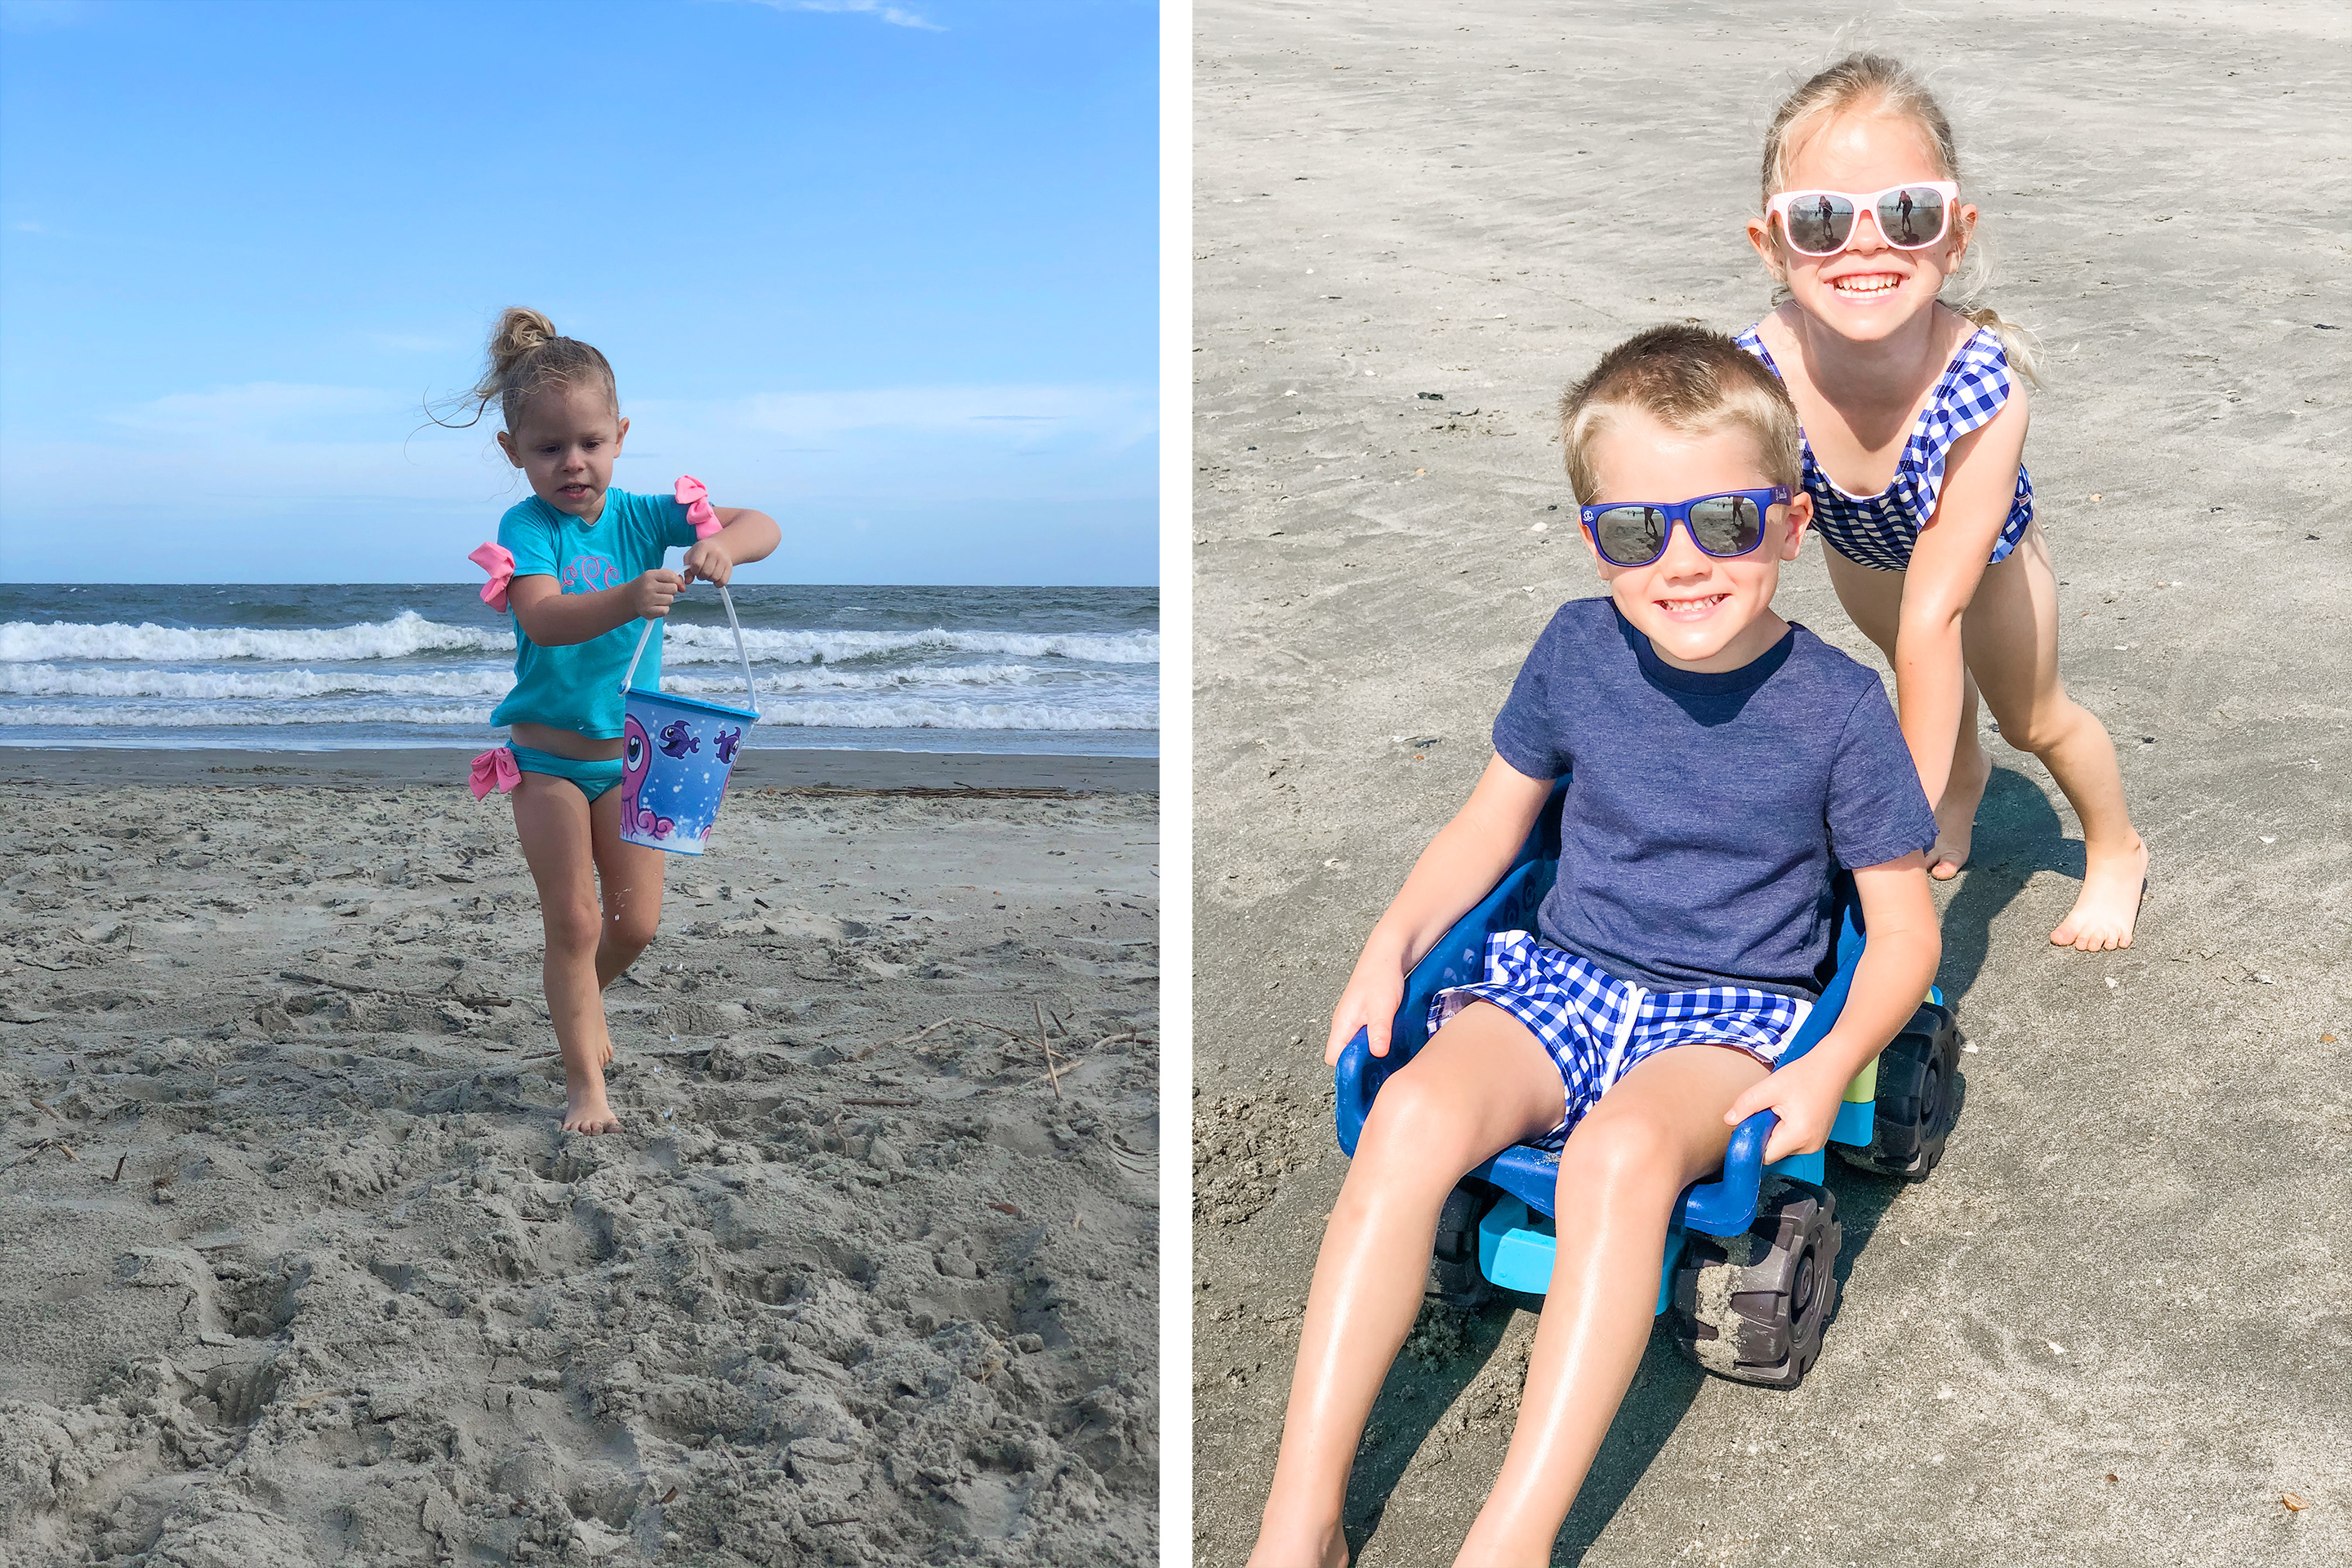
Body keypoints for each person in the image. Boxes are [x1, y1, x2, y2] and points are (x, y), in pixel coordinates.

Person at [1246, 326, 1942, 1568]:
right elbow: (1488, 826)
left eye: (1725, 522)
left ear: (1788, 523)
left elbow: (1901, 932)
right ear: (1594, 541)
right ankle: (1298, 1522)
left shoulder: (1839, 710)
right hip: (1560, 983)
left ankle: (1507, 1543)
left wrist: (1830, 1065)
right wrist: (1388, 947)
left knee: (1620, 1159)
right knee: (1407, 1115)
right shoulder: (1577, 649)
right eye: (1637, 531)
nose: (1683, 563)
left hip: (1728, 1019)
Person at [1740, 52, 2148, 951]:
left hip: (1986, 560)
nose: (1866, 244)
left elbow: (1939, 614)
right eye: (1818, 219)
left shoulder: (1980, 388)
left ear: (1955, 235)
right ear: (1769, 243)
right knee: (1919, 674)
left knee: (2030, 713)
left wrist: (1892, 847)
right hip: (1862, 542)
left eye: (1907, 212)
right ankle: (1959, 784)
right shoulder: (1756, 376)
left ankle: (2116, 847)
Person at [449, 307, 782, 1134]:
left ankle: (578, 1003)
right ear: (512, 452)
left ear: (621, 436)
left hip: (639, 755)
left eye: (590, 443)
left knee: (635, 925)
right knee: (575, 920)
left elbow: (763, 524)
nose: (573, 464)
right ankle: (584, 1086)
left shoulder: (642, 517)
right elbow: (545, 617)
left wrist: (723, 549)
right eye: (548, 448)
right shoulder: (528, 527)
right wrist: (630, 598)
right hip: (550, 761)